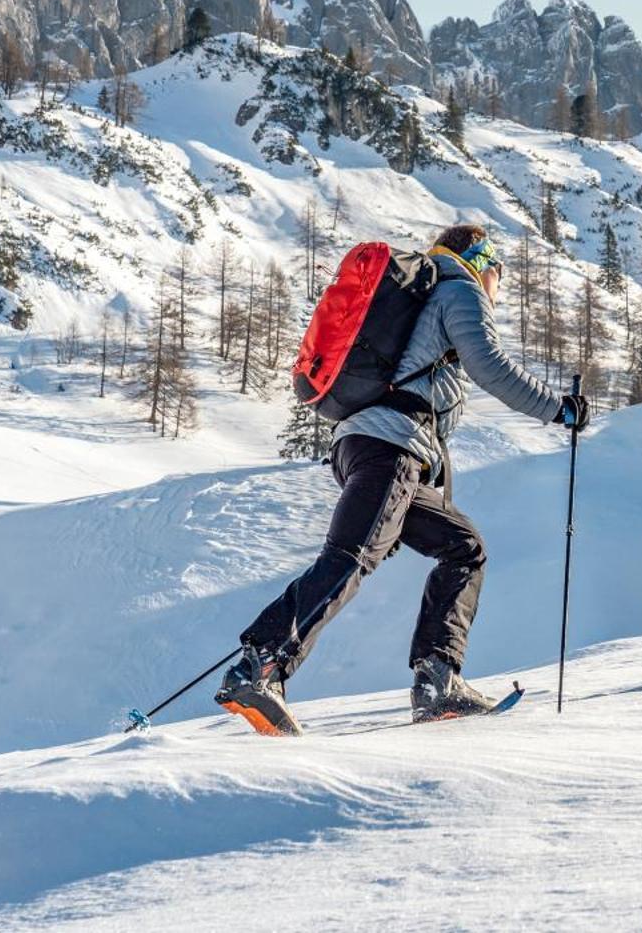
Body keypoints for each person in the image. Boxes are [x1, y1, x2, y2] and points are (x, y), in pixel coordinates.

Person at [217, 224, 589, 734]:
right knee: (349, 559)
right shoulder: (460, 291)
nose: (500, 286)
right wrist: (559, 410)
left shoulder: (429, 295)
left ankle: (437, 681)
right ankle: (259, 666)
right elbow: (491, 367)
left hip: (375, 447)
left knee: (463, 548)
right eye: (500, 273)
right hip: (388, 447)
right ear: (482, 261)